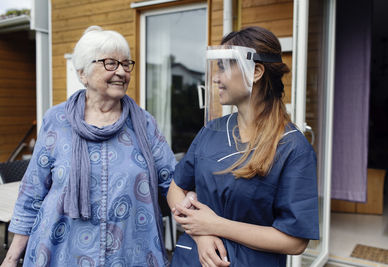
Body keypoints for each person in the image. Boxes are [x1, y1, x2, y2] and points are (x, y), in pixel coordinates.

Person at [1, 26, 175, 267]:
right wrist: (11, 259)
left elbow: (172, 181)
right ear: (83, 73)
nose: (122, 72)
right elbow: (33, 191)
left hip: (129, 254)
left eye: (126, 64)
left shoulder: (143, 123)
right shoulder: (57, 120)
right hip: (61, 252)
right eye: (111, 63)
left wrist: (202, 227)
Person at [167, 26, 319, 267]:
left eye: (225, 67)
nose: (215, 78)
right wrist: (201, 234)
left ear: (256, 71)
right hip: (192, 258)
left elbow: (295, 240)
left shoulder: (292, 148)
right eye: (216, 68)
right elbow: (176, 188)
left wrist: (216, 225)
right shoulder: (211, 131)